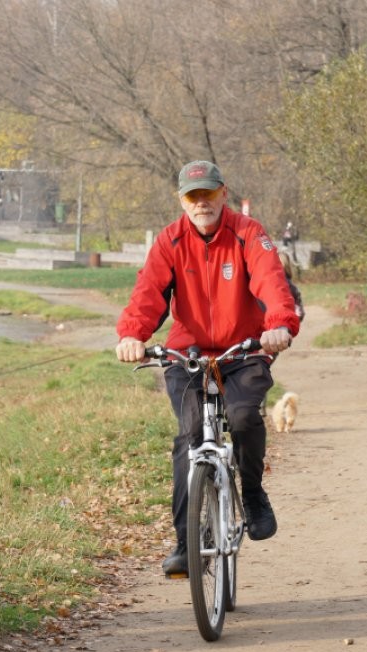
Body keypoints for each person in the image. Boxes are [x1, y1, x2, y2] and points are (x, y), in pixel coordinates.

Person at [115, 160, 301, 576]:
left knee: (242, 416)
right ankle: (186, 543)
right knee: (189, 436)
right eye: (192, 196)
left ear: (223, 193)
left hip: (243, 351)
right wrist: (131, 335)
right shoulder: (170, 241)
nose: (202, 203)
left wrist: (278, 327)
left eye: (209, 194)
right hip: (190, 355)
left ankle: (252, 495)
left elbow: (272, 283)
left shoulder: (248, 234)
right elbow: (148, 294)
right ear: (182, 200)